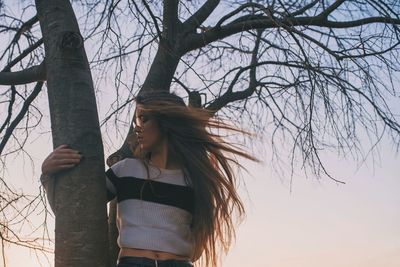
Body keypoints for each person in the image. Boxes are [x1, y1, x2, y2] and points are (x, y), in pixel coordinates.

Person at [40, 91, 258, 267]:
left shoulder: (194, 182)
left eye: (144, 118)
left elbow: (198, 247)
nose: (137, 126)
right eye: (136, 119)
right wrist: (47, 175)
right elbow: (74, 215)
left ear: (166, 121)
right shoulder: (125, 170)